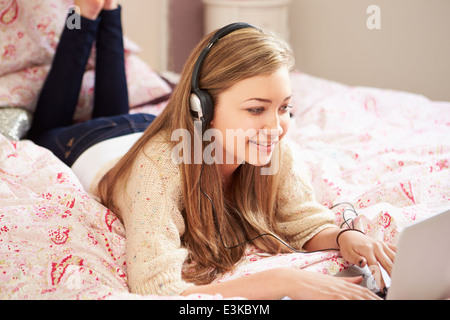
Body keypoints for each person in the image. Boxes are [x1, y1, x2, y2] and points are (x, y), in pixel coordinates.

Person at [29, 0, 396, 300]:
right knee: (44, 125)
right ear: (201, 107)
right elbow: (158, 289)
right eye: (256, 109)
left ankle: (108, 9)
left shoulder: (270, 145)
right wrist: (280, 283)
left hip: (141, 123)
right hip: (86, 141)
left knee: (120, 109)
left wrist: (345, 236)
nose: (275, 127)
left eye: (284, 107)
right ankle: (85, 13)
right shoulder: (158, 169)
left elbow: (301, 220)